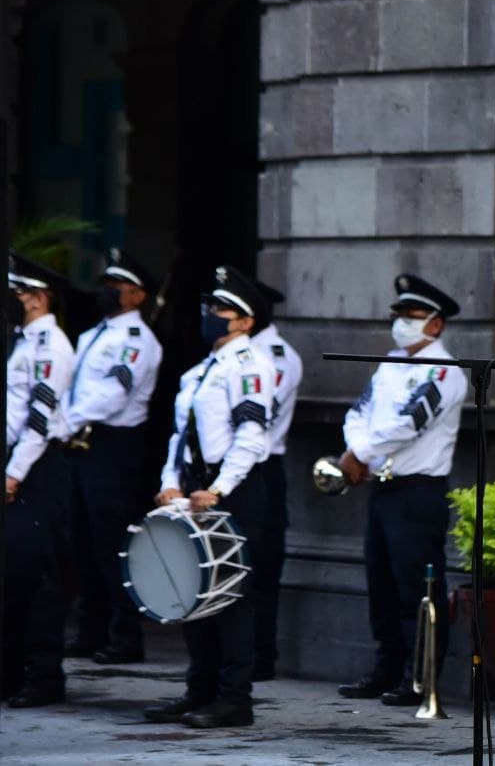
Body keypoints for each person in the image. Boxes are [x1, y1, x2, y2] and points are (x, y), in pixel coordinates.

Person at [142, 265, 275, 729]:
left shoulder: (251, 365)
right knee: (193, 589)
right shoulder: (201, 371)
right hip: (193, 488)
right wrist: (170, 482)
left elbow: (252, 435)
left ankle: (234, 697)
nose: (211, 315)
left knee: (232, 595)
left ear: (245, 321)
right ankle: (199, 689)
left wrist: (219, 488)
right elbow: (180, 435)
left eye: (222, 309)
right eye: (210, 307)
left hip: (229, 489)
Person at [336, 273, 465, 708]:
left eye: (412, 317)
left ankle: (420, 677)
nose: (402, 323)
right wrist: (355, 449)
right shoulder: (391, 363)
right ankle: (386, 667)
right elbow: (361, 411)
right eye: (400, 316)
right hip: (382, 487)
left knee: (418, 589)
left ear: (435, 324)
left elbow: (411, 422)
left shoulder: (444, 371)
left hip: (418, 492)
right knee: (382, 586)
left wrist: (360, 453)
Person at [62, 248, 163, 665]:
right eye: (106, 285)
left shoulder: (137, 342)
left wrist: (64, 423)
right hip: (80, 443)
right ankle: (91, 628)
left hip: (112, 446)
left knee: (111, 542)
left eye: (117, 288)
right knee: (82, 542)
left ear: (138, 296)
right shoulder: (92, 334)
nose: (108, 293)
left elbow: (112, 396)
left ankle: (126, 634)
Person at [3, 254, 76, 707]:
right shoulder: (21, 341)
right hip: (17, 462)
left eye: (19, 293)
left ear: (39, 296)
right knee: (14, 575)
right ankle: (11, 672)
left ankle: (44, 674)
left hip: (37, 466)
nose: (13, 300)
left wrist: (13, 474)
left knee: (39, 578)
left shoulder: (52, 346)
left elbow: (39, 420)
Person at [248, 279, 302, 681]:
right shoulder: (236, 354)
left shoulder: (277, 357)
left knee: (261, 568)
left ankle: (260, 655)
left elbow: (259, 414)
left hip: (263, 467)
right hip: (232, 470)